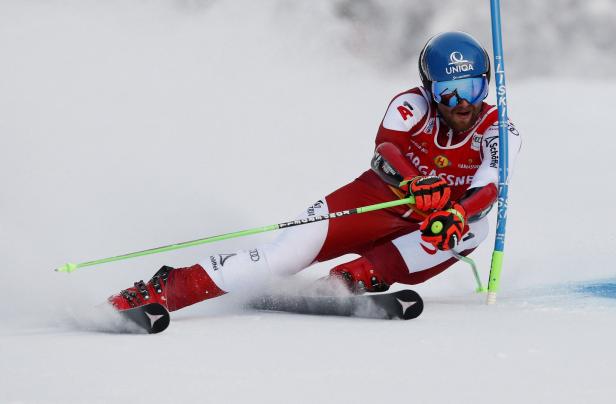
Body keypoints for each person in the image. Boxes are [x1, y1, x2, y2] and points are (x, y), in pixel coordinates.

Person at [109, 31, 521, 312]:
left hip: (436, 216)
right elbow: (387, 146)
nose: (461, 103)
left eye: (472, 89)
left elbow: (491, 184)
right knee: (281, 257)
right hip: (377, 199)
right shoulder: (410, 105)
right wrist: (413, 181)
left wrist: (458, 213)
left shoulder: (499, 130)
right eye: (446, 91)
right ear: (428, 89)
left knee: (472, 231)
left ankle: (354, 280)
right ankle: (162, 291)